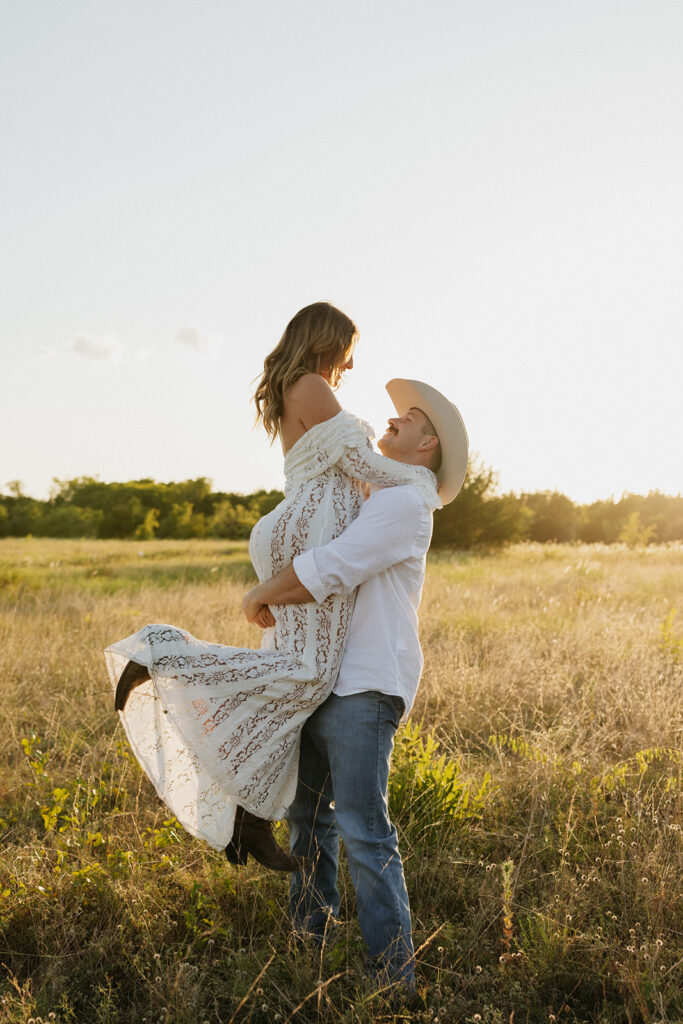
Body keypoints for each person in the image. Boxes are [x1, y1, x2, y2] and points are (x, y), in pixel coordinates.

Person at [104, 302, 442, 871]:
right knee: (310, 672)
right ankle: (165, 654)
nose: (351, 366)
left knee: (296, 682)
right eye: (349, 352)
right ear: (328, 342)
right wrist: (426, 484)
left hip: (296, 523)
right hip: (310, 529)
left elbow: (353, 470)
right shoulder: (311, 384)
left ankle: (247, 817)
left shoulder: (293, 386)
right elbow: (366, 463)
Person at [240, 378, 468, 992]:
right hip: (321, 678)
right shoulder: (373, 492)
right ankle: (308, 940)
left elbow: (334, 567)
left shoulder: (404, 502)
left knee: (366, 830)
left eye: (411, 420)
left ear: (429, 447)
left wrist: (264, 591)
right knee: (308, 820)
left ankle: (395, 980)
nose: (393, 422)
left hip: (363, 686)